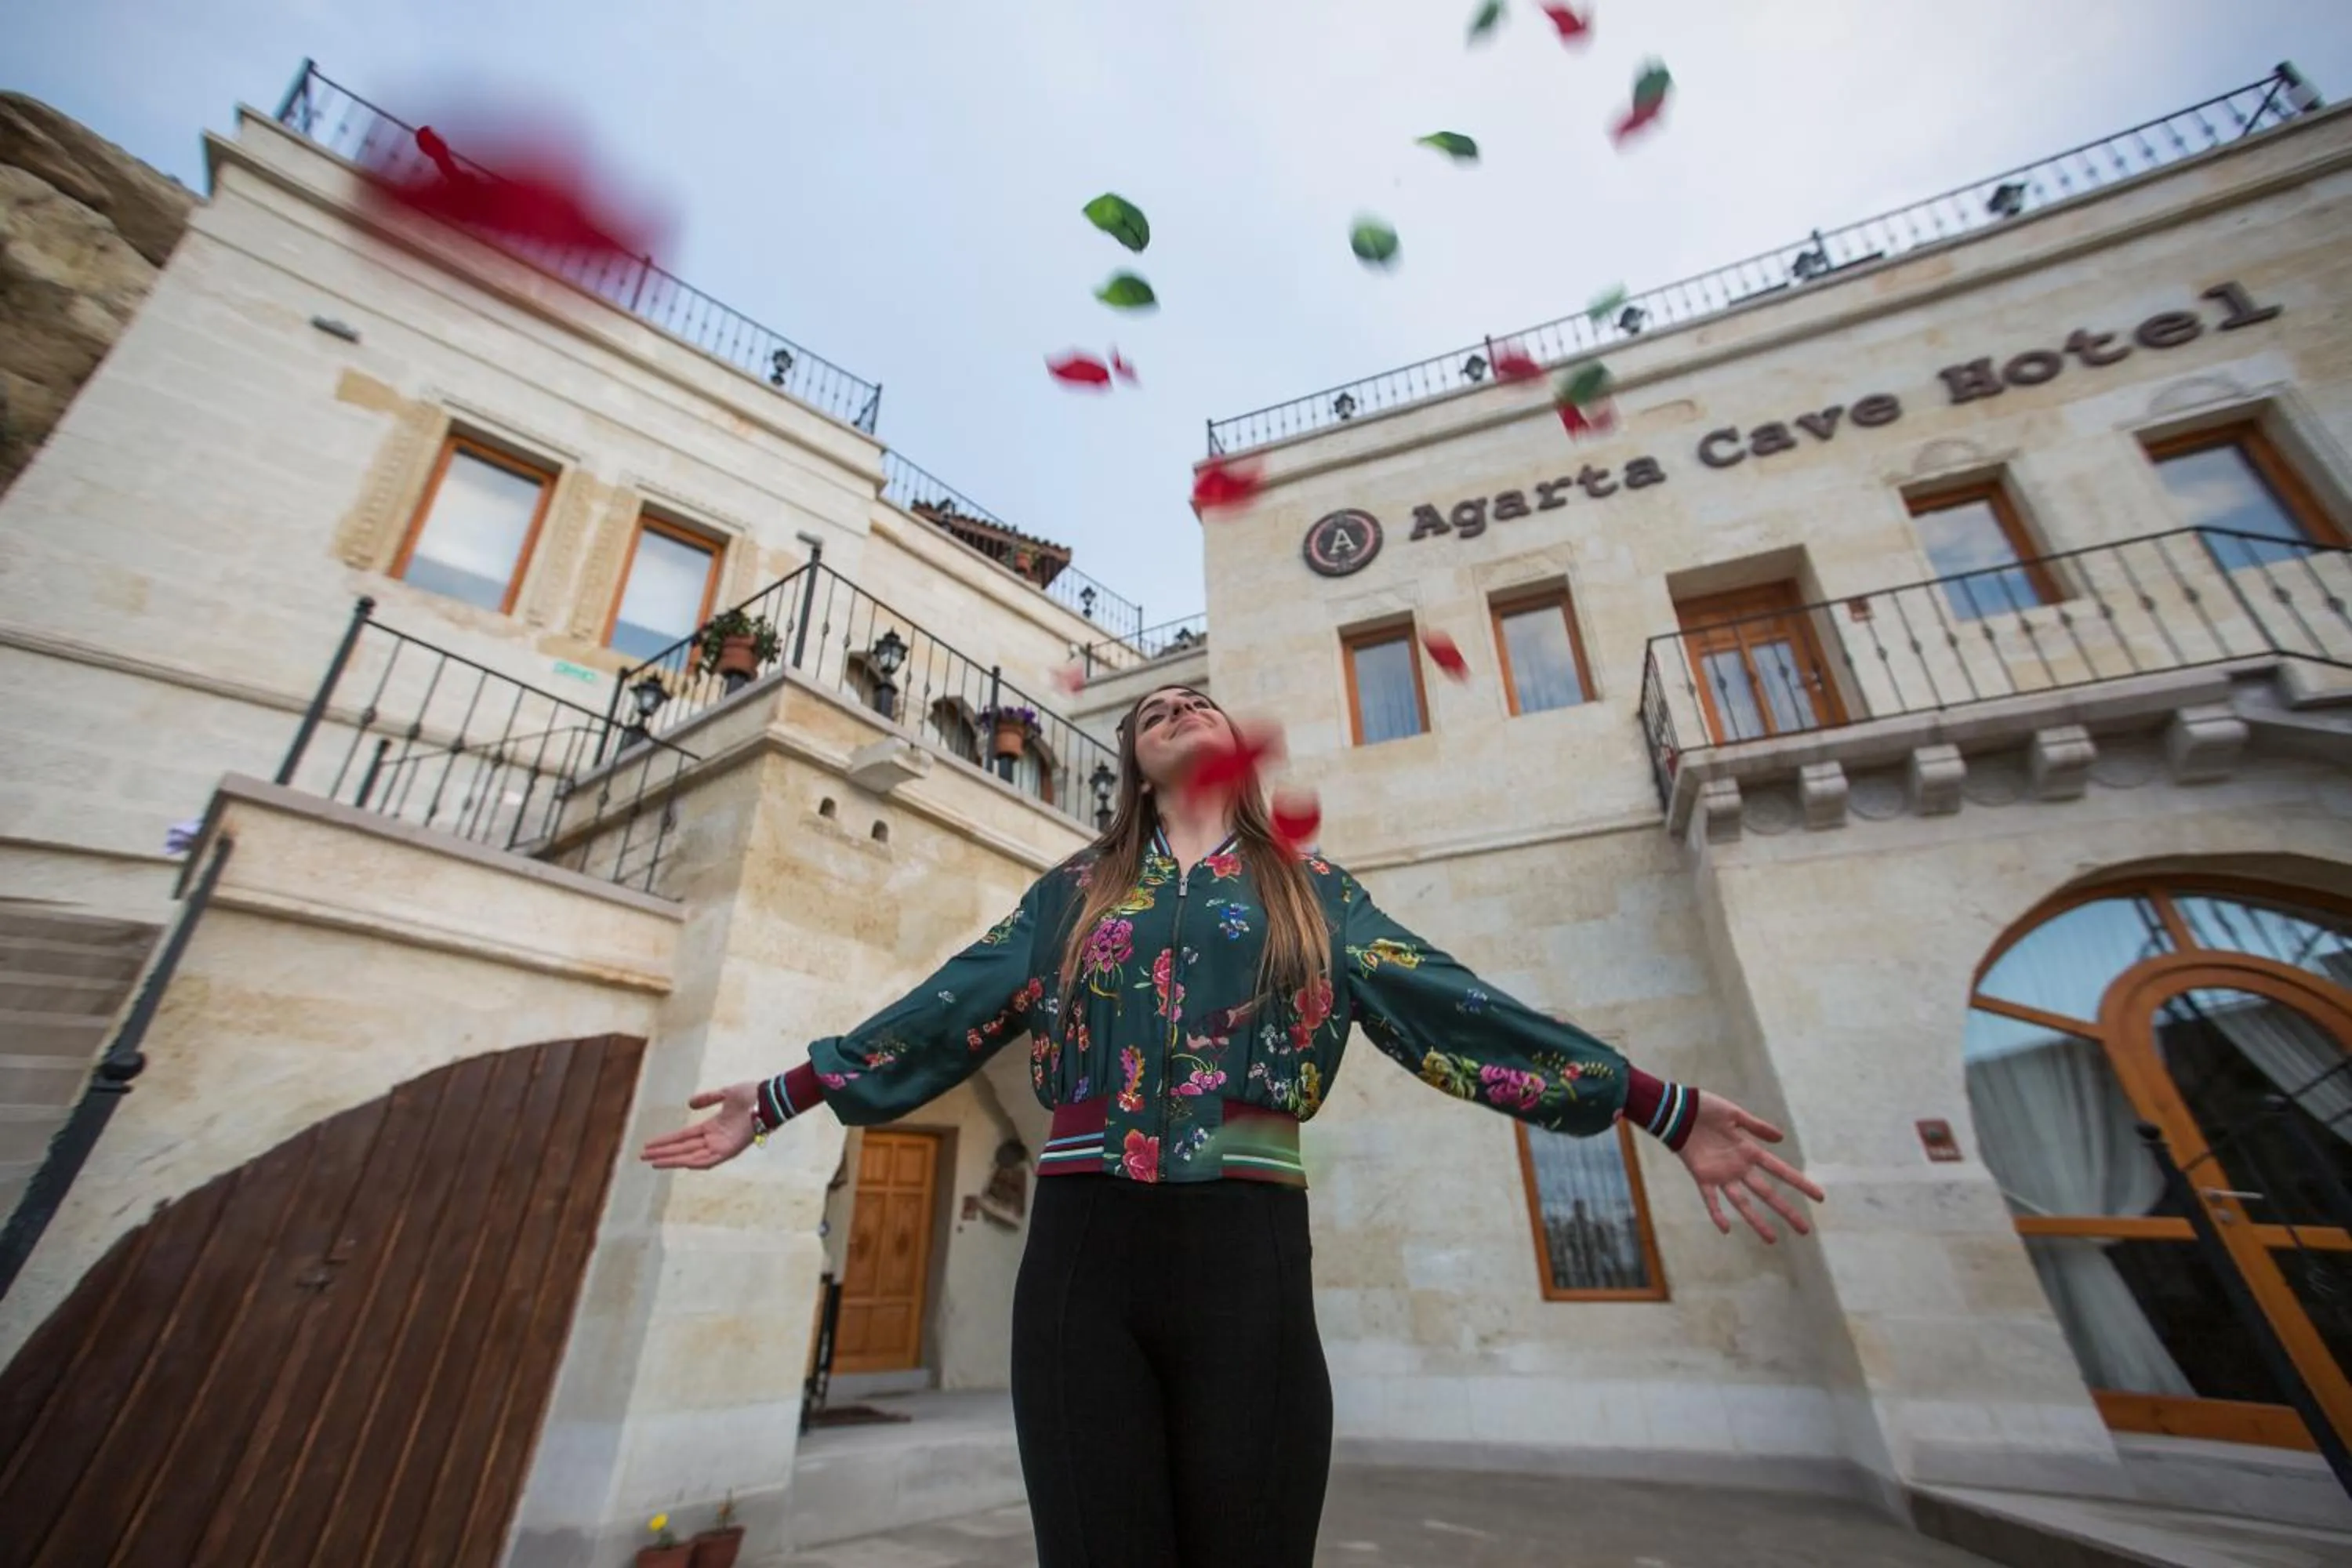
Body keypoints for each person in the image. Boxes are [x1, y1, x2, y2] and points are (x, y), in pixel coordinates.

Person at [641, 684, 1825, 1568]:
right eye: (1151, 708)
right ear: (1133, 764)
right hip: (1080, 1265)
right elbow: (951, 1005)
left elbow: (1453, 1008)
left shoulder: (1316, 898)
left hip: (1248, 1262)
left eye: (1195, 699)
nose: (1173, 705)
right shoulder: (1074, 894)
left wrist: (1652, 1103)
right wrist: (790, 1091)